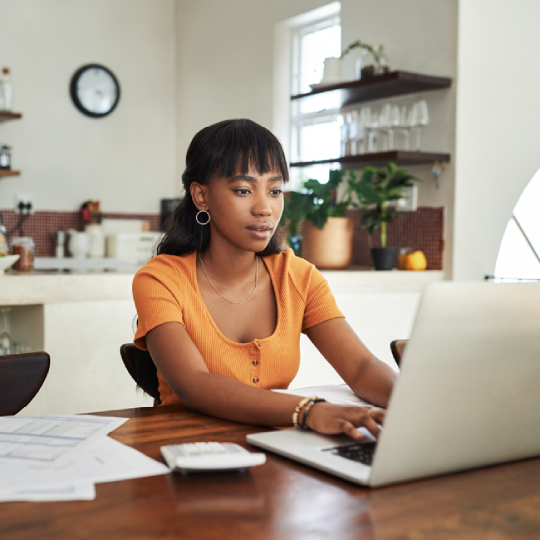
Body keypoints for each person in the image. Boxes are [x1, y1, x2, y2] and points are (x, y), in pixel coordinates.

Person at [133, 119, 397, 440]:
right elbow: (194, 385)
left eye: (275, 191)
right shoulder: (160, 279)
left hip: (277, 452)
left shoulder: (297, 277)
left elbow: (361, 368)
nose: (265, 209)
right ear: (201, 197)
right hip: (186, 454)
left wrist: (414, 403)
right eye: (243, 190)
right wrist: (308, 411)